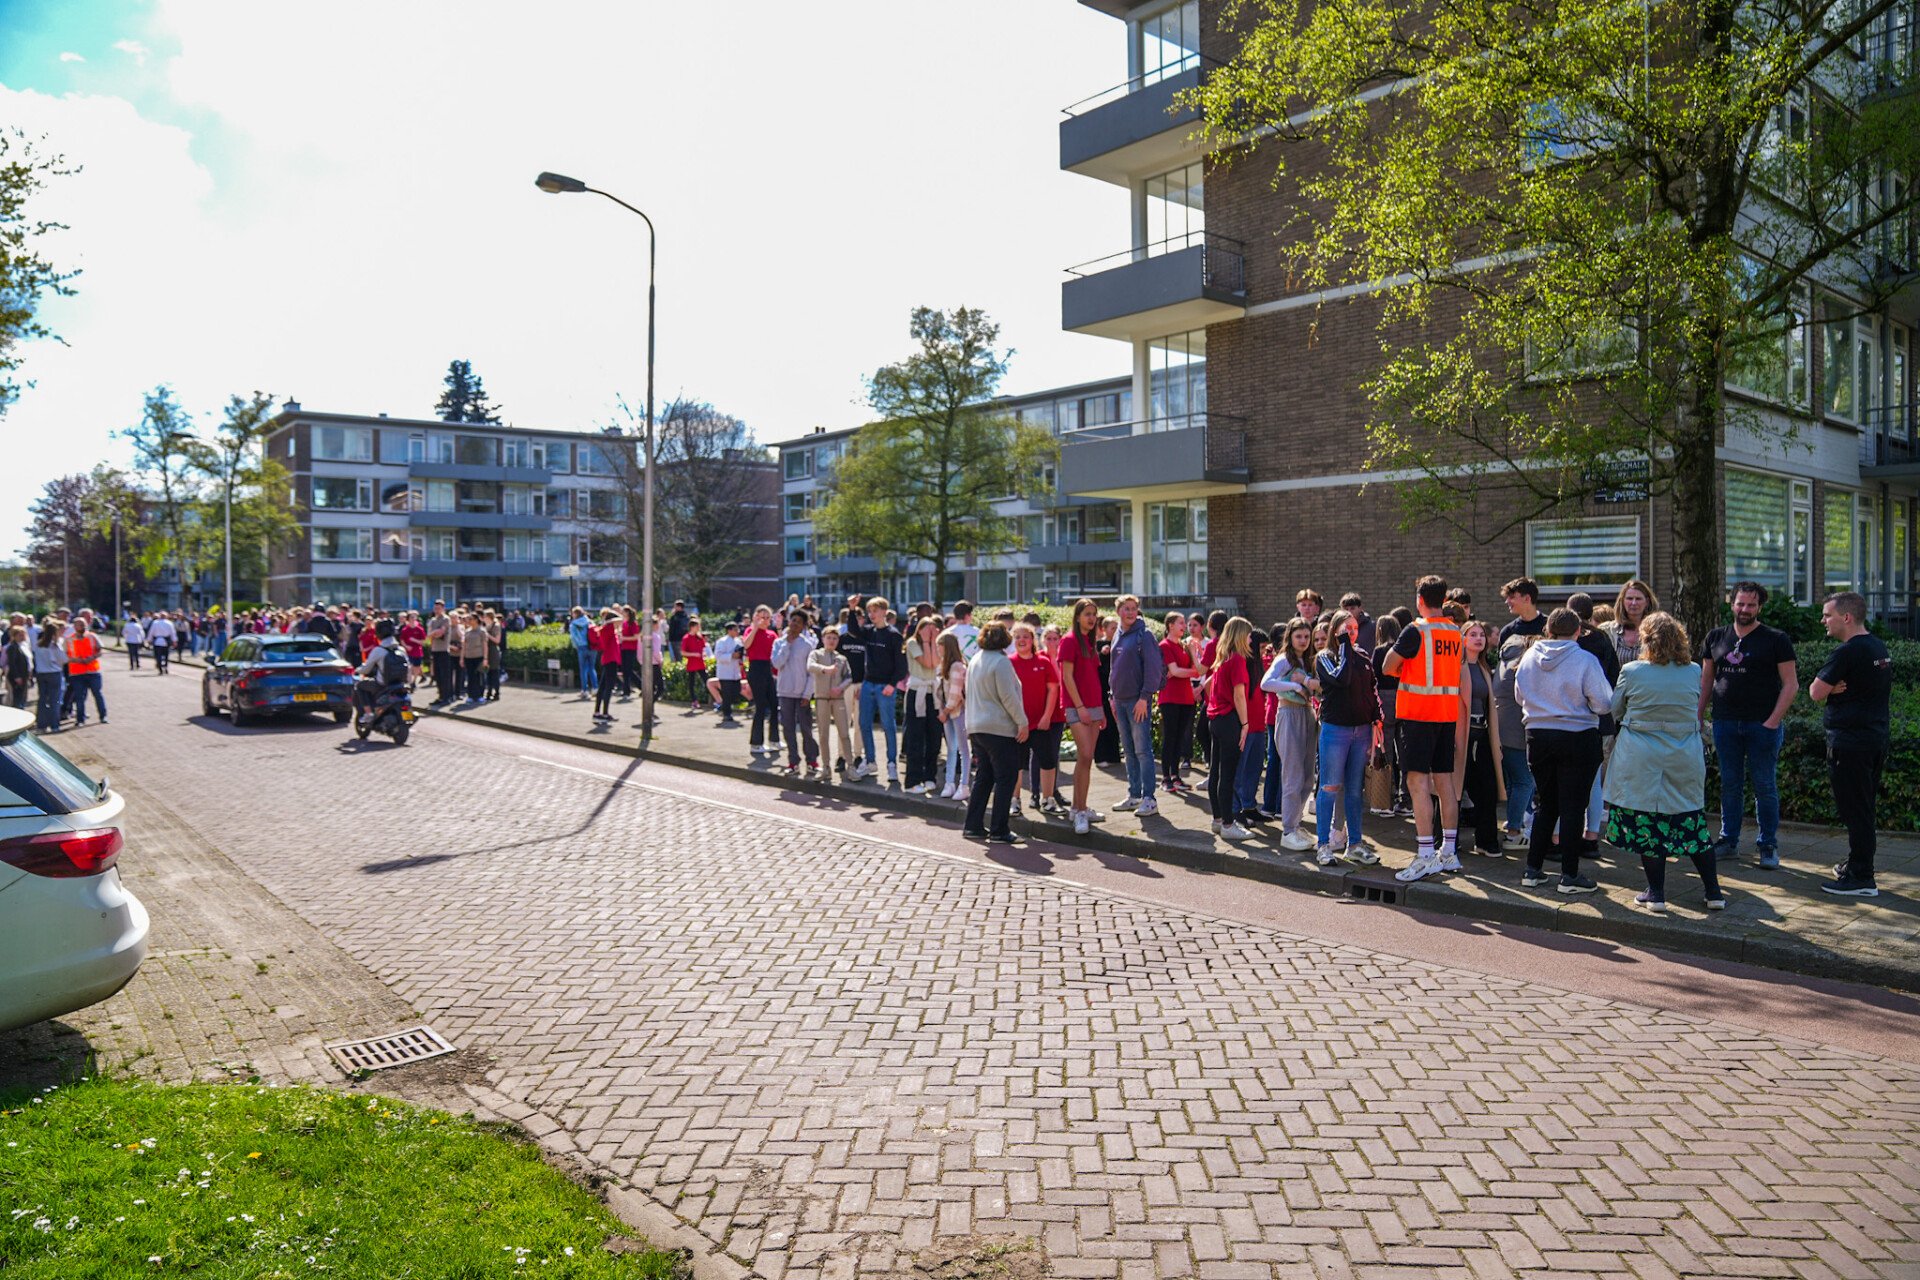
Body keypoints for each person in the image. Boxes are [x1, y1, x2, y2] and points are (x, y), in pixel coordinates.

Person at [1605, 612, 1724, 912]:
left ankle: (1656, 894)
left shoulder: (1631, 671)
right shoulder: (1693, 670)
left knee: (1648, 823)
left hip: (1642, 755)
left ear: (1646, 640)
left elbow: (1615, 710)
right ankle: (1714, 893)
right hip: (1683, 754)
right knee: (1692, 822)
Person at [1698, 581, 1798, 869]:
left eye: (1751, 605)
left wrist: (1772, 722)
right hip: (1725, 723)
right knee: (1730, 784)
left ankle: (1768, 845)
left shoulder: (1776, 639)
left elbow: (1791, 685)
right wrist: (1700, 712)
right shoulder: (1716, 637)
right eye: (1740, 604)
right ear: (1731, 604)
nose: (1745, 609)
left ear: (1760, 607)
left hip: (1761, 724)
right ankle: (1729, 841)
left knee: (1765, 786)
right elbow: (1707, 680)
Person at [1515, 608, 1613, 894]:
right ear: (1578, 632)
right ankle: (1569, 875)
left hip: (1537, 735)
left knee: (1546, 804)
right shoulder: (1584, 659)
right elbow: (1604, 703)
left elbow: (1520, 695)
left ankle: (1532, 870)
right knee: (1573, 808)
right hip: (1577, 736)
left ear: (1548, 630)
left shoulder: (1529, 656)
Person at [1811, 591, 1894, 897]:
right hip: (1874, 739)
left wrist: (1829, 688)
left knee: (1855, 810)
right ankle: (1858, 864)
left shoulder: (1845, 653)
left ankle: (1861, 877)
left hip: (1850, 744)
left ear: (1846, 617)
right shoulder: (1877, 646)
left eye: (1827, 615)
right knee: (1864, 807)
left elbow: (1814, 692)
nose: (1823, 620)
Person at [1383, 575, 1465, 880]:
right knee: (1445, 783)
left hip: (1419, 716)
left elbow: (1387, 665)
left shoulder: (1416, 630)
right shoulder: (1455, 632)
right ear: (1443, 601)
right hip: (1446, 715)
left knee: (1417, 784)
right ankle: (1449, 852)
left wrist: (1407, 667)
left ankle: (1426, 855)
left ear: (1419, 600)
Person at [1316, 610, 1380, 866]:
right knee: (1330, 786)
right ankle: (1323, 845)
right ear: (1335, 631)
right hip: (1335, 730)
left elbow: (1371, 690)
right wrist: (1344, 647)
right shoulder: (1325, 657)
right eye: (1346, 629)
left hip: (1361, 730)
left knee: (1355, 790)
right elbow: (1341, 679)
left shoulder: (1363, 656)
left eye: (1354, 628)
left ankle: (1354, 844)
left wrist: (1377, 719)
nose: (1352, 633)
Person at [961, 620, 1030, 844]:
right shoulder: (1001, 662)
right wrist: (1022, 721)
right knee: (1006, 777)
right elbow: (1007, 696)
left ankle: (973, 825)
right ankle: (999, 829)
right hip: (998, 728)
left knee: (984, 776)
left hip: (976, 727)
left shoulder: (976, 660)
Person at [1567, 592, 1622, 853]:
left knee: (1568, 781)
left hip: (1571, 718)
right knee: (1594, 782)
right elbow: (1614, 676)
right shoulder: (1602, 640)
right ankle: (1591, 837)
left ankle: (1564, 838)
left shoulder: (1567, 641)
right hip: (1599, 718)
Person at [1261, 617, 1321, 851]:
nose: (1304, 641)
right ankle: (1288, 830)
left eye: (1307, 636)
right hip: (1289, 715)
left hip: (1307, 715)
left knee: (1307, 775)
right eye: (1299, 636)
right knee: (1293, 774)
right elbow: (1266, 684)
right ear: (1290, 637)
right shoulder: (1284, 659)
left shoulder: (1307, 660)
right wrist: (1296, 687)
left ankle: (1296, 825)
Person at [1453, 619, 1507, 858]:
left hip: (1482, 735)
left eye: (1482, 635)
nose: (1478, 638)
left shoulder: (1485, 668)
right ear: (1463, 639)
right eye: (1472, 634)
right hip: (1459, 737)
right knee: (1453, 791)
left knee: (1487, 789)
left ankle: (1486, 840)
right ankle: (1447, 840)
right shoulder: (1455, 667)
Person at [1056, 599, 1110, 834]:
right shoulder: (1068, 641)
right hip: (1077, 706)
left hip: (1094, 706)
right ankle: (1078, 811)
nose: (1092, 618)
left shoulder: (1091, 641)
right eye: (1087, 614)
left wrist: (1101, 709)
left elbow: (1094, 678)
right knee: (1085, 755)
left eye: (1094, 614)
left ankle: (1080, 808)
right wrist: (1080, 707)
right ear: (1077, 616)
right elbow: (1067, 678)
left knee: (1087, 760)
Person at [1108, 594, 1164, 818]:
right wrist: (1112, 696)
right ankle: (1134, 795)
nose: (1130, 612)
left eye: (1134, 608)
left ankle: (1149, 798)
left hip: (1137, 702)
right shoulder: (1118, 635)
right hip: (1120, 702)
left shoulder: (1145, 635)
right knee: (1129, 751)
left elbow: (1154, 669)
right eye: (1126, 608)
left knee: (1142, 750)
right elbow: (1114, 669)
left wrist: (1145, 697)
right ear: (1118, 611)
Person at [1204, 616, 1256, 841]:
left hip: (1215, 719)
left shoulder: (1221, 659)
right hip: (1229, 720)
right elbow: (1239, 696)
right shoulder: (1237, 660)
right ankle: (1227, 823)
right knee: (1227, 774)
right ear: (1241, 635)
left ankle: (1218, 819)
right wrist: (1245, 724)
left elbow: (1208, 688)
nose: (1251, 638)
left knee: (1215, 771)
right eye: (1249, 634)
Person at [845, 596, 904, 781]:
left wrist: (892, 684)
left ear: (884, 612)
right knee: (864, 724)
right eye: (869, 611)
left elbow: (901, 665)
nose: (872, 615)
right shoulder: (869, 631)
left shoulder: (894, 635)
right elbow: (853, 630)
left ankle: (891, 764)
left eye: (875, 611)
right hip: (868, 683)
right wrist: (852, 609)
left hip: (885, 686)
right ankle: (870, 762)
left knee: (888, 726)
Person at [1007, 622, 1061, 819]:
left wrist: (1046, 717)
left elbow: (1053, 689)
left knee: (1048, 761)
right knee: (1015, 765)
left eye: (1026, 637)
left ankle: (1048, 800)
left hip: (1040, 724)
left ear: (1033, 640)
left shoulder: (1044, 662)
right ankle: (1014, 801)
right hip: (1017, 725)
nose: (1022, 640)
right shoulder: (1008, 662)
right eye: (1018, 637)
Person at [770, 609, 820, 775]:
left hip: (801, 694)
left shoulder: (807, 645)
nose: (794, 624)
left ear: (803, 625)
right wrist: (787, 645)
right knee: (788, 728)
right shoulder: (779, 643)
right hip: (784, 693)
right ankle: (793, 761)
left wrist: (807, 694)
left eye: (798, 621)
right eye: (792, 620)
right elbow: (777, 664)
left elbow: (811, 672)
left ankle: (812, 760)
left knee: (806, 728)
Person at [1157, 613, 1199, 795]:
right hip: (1170, 697)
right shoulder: (1165, 645)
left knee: (1180, 737)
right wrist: (1183, 672)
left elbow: (1198, 669)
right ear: (1170, 625)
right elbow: (1174, 670)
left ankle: (1176, 775)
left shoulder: (1184, 646)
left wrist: (1190, 659)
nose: (1185, 626)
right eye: (1181, 623)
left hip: (1186, 697)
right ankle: (1166, 777)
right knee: (1170, 737)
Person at [901, 617, 944, 793]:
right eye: (926, 629)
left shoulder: (936, 644)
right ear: (919, 630)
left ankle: (929, 776)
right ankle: (913, 780)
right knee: (916, 738)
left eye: (933, 629)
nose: (930, 632)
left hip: (932, 693)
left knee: (934, 737)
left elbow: (935, 663)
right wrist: (927, 641)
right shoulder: (912, 643)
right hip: (917, 692)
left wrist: (933, 642)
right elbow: (927, 663)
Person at [1234, 628, 1271, 829]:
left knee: (1255, 770)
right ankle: (1237, 809)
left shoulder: (1260, 665)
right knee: (1240, 770)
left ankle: (1249, 807)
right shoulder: (1243, 665)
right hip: (1246, 725)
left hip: (1259, 724)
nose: (1265, 652)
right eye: (1262, 648)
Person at [1371, 615, 1408, 817]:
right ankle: (1406, 799)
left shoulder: (1379, 651)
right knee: (1404, 751)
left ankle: (1385, 797)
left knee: (1385, 751)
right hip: (1404, 698)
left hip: (1385, 701)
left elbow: (1374, 678)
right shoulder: (1403, 650)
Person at [808, 627, 855, 783]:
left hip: (838, 699)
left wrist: (839, 688)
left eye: (835, 638)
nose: (832, 641)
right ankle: (826, 767)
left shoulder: (842, 659)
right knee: (823, 734)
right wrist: (825, 669)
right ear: (823, 639)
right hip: (822, 698)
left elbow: (849, 677)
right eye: (829, 638)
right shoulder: (816, 654)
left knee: (844, 733)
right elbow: (810, 666)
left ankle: (850, 766)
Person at [352, 620, 411, 729]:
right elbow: (409, 667)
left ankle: (368, 714)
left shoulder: (379, 650)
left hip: (382, 684)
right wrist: (409, 682)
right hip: (400, 684)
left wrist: (357, 670)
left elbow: (366, 669)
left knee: (360, 685)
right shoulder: (401, 649)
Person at [936, 631, 970, 801]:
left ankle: (964, 784)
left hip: (957, 711)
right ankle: (950, 783)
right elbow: (941, 691)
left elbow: (956, 694)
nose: (937, 649)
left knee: (963, 749)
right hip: (947, 711)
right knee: (951, 748)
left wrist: (945, 711)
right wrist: (942, 710)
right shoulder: (944, 665)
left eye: (939, 646)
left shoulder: (957, 666)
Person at [743, 605, 781, 756]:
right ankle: (756, 743)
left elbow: (779, 650)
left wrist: (779, 629)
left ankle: (774, 739)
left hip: (767, 669)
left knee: (774, 704)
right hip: (756, 668)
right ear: (755, 617)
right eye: (761, 617)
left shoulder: (772, 634)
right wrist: (755, 627)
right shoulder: (750, 630)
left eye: (767, 617)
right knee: (760, 706)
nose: (764, 620)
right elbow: (746, 645)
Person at [64, 618, 106, 726]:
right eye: (80, 625)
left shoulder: (92, 636)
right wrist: (75, 660)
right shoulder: (69, 639)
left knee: (97, 694)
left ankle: (103, 716)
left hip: (93, 671)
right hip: (77, 672)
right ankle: (80, 719)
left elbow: (100, 650)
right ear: (74, 627)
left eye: (84, 625)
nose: (83, 627)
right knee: (79, 697)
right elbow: (64, 655)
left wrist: (92, 657)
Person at [589, 608, 623, 723]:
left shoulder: (606, 630)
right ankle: (605, 713)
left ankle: (597, 712)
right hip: (611, 660)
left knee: (602, 687)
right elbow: (621, 620)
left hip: (607, 660)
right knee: (608, 687)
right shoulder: (608, 629)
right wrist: (610, 621)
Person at [32, 617, 64, 733]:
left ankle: (41, 725)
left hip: (41, 673)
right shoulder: (55, 645)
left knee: (42, 699)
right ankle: (54, 725)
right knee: (54, 700)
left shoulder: (38, 645)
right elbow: (63, 659)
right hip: (54, 673)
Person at [711, 621, 744, 725]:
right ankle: (727, 713)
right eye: (735, 629)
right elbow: (718, 656)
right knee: (727, 693)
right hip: (725, 672)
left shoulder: (739, 641)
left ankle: (724, 706)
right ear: (728, 631)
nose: (737, 631)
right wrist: (731, 656)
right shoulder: (722, 641)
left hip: (735, 671)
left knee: (736, 690)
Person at [567, 606, 598, 699]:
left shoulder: (574, 624)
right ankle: (595, 688)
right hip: (592, 647)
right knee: (592, 668)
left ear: (575, 614)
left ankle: (584, 690)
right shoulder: (590, 621)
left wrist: (576, 645)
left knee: (583, 669)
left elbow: (573, 637)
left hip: (581, 647)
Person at [427, 603, 453, 703]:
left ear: (443, 609)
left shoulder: (446, 619)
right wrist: (434, 633)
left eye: (438, 608)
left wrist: (435, 633)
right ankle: (440, 696)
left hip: (444, 650)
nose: (436, 610)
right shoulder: (433, 620)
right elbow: (429, 635)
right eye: (435, 608)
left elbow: (441, 632)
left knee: (444, 675)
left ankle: (447, 696)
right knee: (437, 675)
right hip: (435, 650)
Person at [682, 618, 708, 707]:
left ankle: (712, 699)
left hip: (700, 663)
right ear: (691, 627)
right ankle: (694, 700)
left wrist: (703, 654)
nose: (698, 628)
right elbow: (683, 652)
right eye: (697, 626)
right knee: (691, 683)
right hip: (692, 664)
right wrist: (693, 654)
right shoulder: (686, 638)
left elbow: (703, 648)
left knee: (707, 680)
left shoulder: (699, 637)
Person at [146, 611, 176, 675]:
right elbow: (173, 633)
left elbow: (151, 632)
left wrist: (149, 640)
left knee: (158, 655)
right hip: (166, 641)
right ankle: (165, 667)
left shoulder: (155, 623)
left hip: (157, 641)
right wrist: (174, 641)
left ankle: (160, 668)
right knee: (166, 655)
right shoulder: (169, 623)